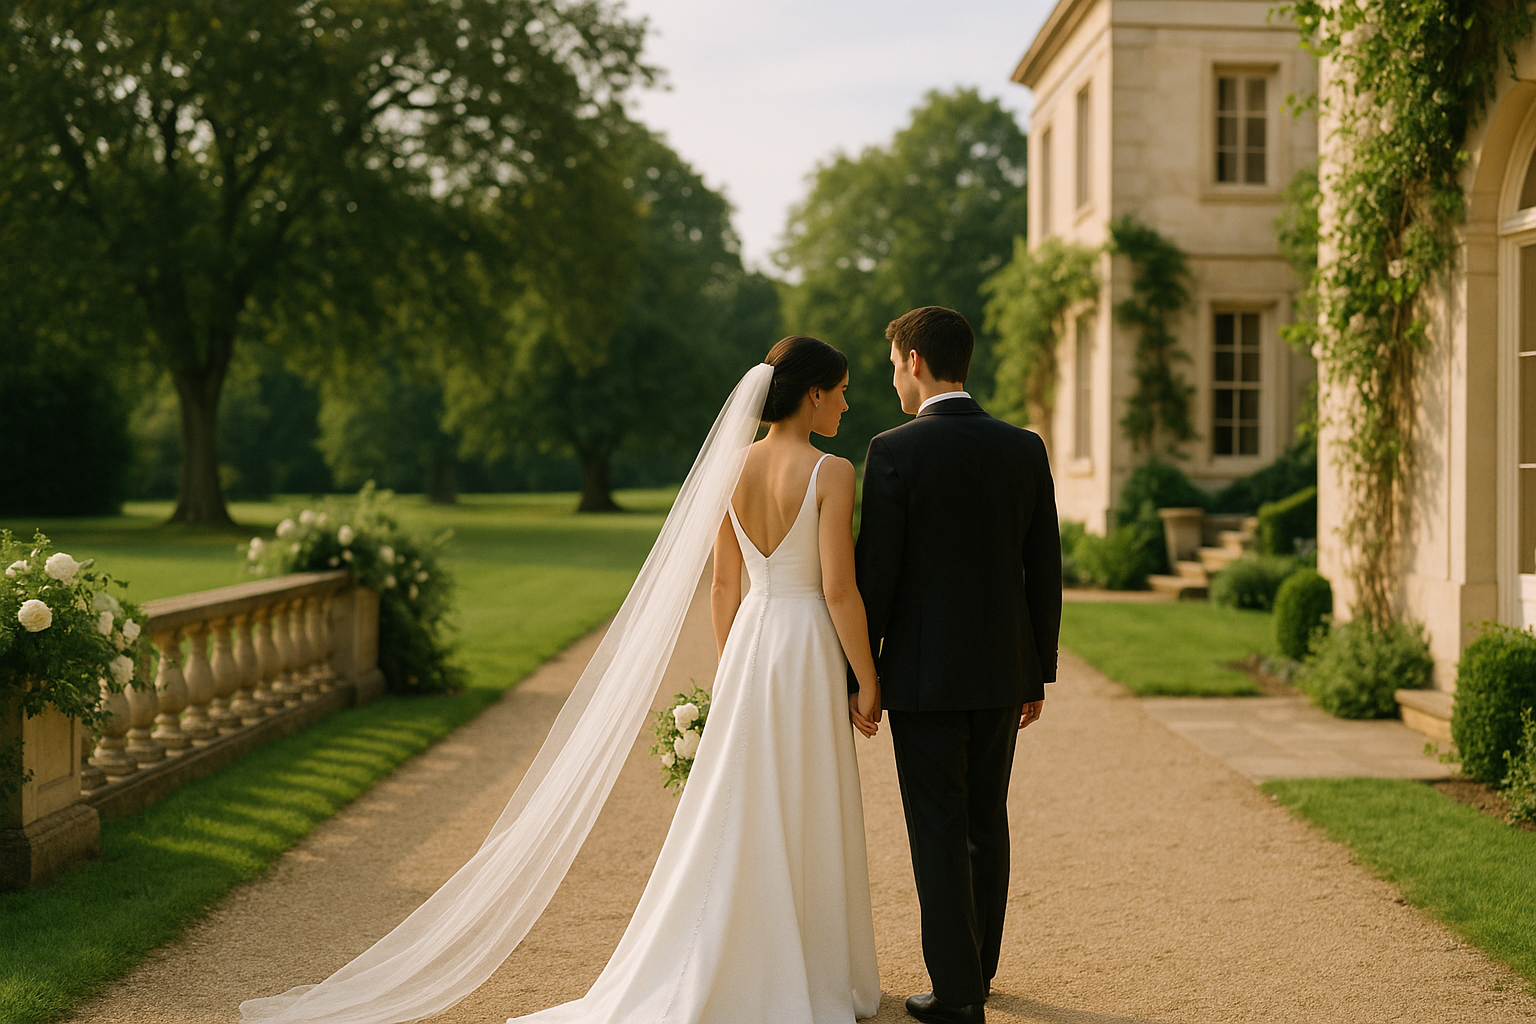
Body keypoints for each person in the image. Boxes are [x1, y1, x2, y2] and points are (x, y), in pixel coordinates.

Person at [240, 338, 883, 1024]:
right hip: (806, 643)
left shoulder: (730, 468)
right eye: (840, 390)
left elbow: (724, 587)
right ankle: (800, 971)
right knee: (804, 794)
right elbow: (840, 592)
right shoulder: (832, 471)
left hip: (753, 642)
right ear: (812, 393)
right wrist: (866, 681)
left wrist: (733, 673)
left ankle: (739, 959)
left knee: (742, 806)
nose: (846, 403)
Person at [854, 306, 1062, 1024]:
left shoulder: (892, 451)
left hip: (923, 678)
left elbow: (875, 578)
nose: (892, 379)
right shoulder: (1024, 447)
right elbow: (1045, 569)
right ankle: (979, 969)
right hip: (1005, 672)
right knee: (984, 820)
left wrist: (863, 679)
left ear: (914, 361)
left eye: (892, 365)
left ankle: (957, 993)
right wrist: (1039, 670)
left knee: (937, 827)